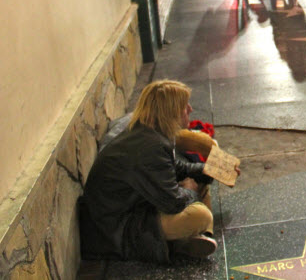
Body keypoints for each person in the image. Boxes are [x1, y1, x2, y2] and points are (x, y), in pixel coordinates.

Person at [79, 80, 229, 262]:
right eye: (184, 106)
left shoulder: (152, 133)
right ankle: (191, 236)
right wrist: (189, 189)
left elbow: (178, 168)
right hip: (116, 229)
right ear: (170, 111)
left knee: (201, 180)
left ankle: (197, 238)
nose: (190, 109)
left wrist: (214, 169)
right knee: (201, 215)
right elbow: (173, 203)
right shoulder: (150, 146)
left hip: (135, 208)